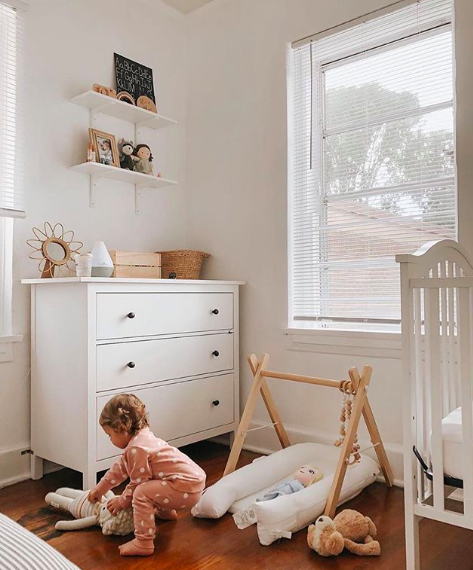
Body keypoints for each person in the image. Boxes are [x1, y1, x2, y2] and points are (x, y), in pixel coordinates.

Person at [88, 394, 206, 557]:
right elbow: (119, 469)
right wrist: (100, 489)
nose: (110, 440)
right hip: (192, 483)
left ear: (123, 428)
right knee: (155, 483)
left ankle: (144, 542)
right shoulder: (142, 439)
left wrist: (122, 502)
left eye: (110, 435)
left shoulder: (137, 449)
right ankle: (166, 512)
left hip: (184, 487)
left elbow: (137, 483)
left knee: (141, 492)